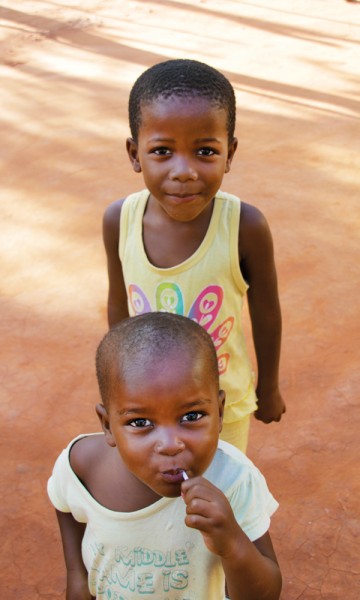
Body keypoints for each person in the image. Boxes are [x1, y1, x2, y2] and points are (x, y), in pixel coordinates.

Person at [103, 59, 286, 453]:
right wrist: (117, 390)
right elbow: (119, 307)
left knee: (221, 498)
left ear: (229, 154)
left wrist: (267, 387)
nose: (183, 171)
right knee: (159, 504)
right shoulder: (119, 220)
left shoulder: (244, 226)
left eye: (205, 150)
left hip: (223, 406)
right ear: (135, 154)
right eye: (162, 151)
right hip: (147, 409)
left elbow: (267, 312)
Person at [47, 312, 282, 600]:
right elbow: (65, 504)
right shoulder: (83, 465)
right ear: (107, 425)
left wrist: (232, 541)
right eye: (140, 422)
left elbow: (267, 593)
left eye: (192, 416)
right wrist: (77, 576)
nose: (171, 445)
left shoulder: (233, 480)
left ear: (220, 413)